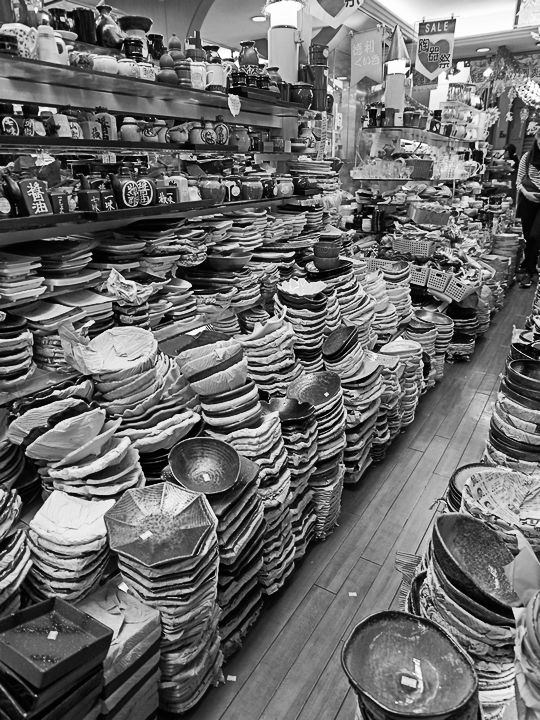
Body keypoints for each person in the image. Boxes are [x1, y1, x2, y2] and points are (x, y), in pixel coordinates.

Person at [517, 130, 540, 288]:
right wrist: (526, 194)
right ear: (536, 139)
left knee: (535, 236)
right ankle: (528, 266)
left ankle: (530, 271)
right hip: (528, 201)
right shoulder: (527, 157)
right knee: (527, 236)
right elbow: (519, 181)